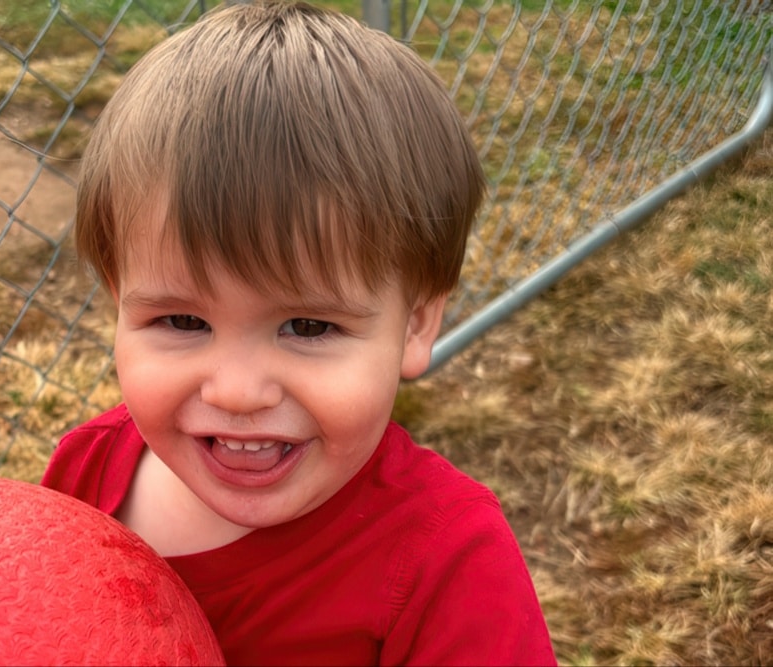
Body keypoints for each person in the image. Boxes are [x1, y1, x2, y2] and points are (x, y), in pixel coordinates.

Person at [41, 2, 555, 664]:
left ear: (415, 325)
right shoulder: (83, 474)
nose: (237, 391)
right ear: (118, 306)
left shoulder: (448, 560)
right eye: (182, 320)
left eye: (308, 325)